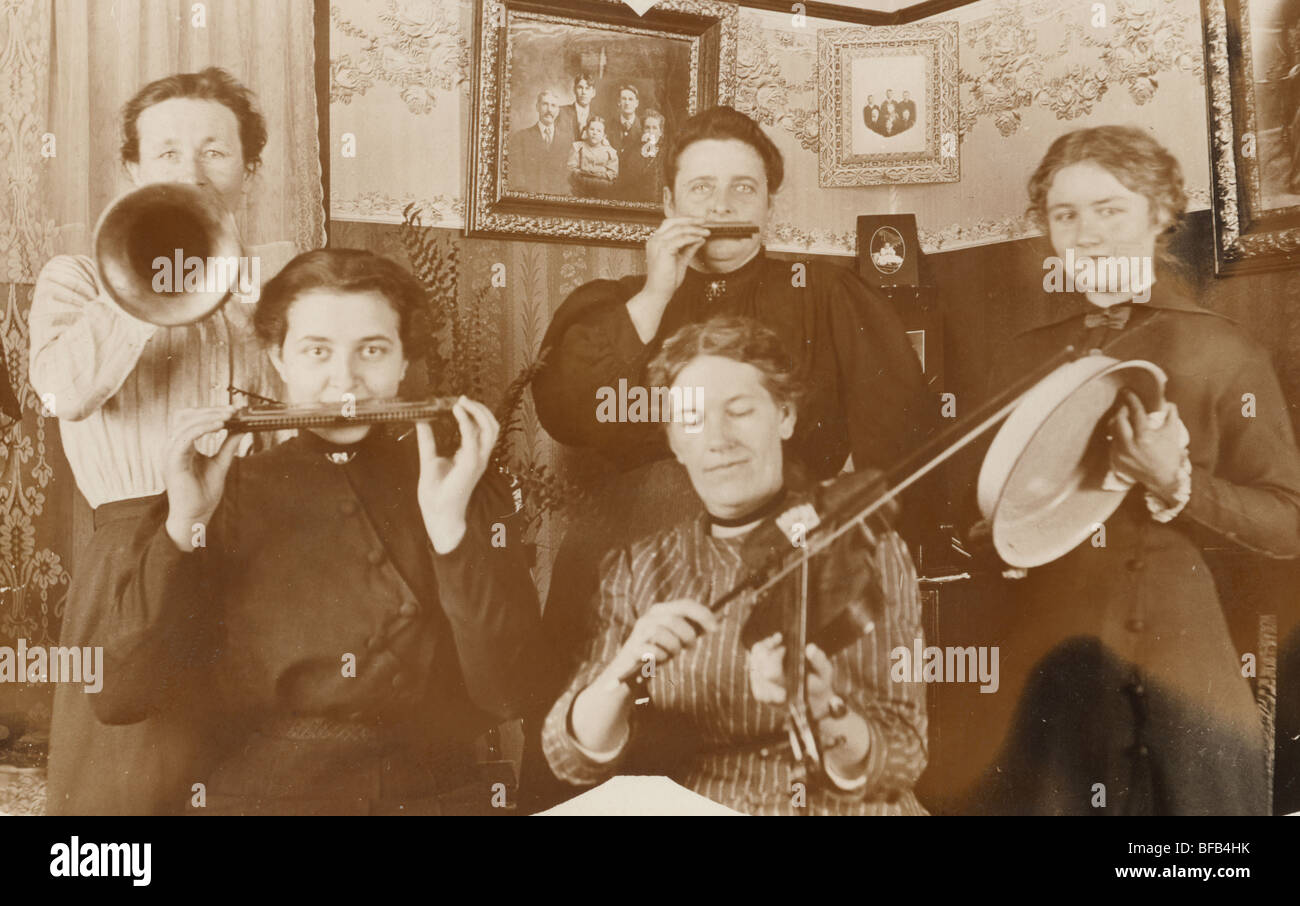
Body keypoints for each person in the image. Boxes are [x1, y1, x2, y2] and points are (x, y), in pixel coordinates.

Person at [523, 105, 932, 808]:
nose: (721, 206)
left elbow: (899, 428)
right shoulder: (617, 301)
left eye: (743, 189)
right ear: (669, 203)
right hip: (630, 554)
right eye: (701, 189)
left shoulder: (827, 292)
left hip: (785, 544)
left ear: (769, 204)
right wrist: (656, 293)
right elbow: (567, 414)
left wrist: (836, 515)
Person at [92, 249, 544, 815]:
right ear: (279, 360)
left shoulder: (460, 484)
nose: (346, 381)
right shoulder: (217, 493)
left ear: (405, 361)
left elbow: (512, 693)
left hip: (434, 797)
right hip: (261, 801)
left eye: (373, 351)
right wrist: (186, 526)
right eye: (317, 352)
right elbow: (118, 696)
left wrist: (451, 531)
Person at [970, 125, 1300, 814]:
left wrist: (1174, 484)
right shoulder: (1017, 358)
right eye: (1065, 215)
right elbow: (979, 520)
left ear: (1159, 215)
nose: (1085, 233)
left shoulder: (1225, 351)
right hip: (1053, 664)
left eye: (1109, 209)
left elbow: (1287, 523)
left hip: (1186, 660)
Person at [30, 66, 299, 816]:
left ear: (248, 169)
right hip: (134, 561)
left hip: (267, 553)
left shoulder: (276, 286)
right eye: (169, 152)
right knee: (126, 796)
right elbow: (60, 393)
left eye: (215, 152)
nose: (192, 170)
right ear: (133, 169)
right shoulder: (77, 277)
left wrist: (244, 296)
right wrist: (148, 278)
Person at [541, 316, 927, 815]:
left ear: (785, 416)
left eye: (740, 410)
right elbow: (567, 757)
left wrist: (825, 711)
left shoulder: (862, 544)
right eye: (692, 420)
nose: (718, 439)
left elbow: (905, 755)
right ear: (677, 443)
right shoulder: (638, 569)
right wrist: (622, 671)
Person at [506, 90, 571, 195]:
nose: (549, 110)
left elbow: (568, 176)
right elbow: (516, 174)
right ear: (537, 107)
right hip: (529, 199)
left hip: (559, 200)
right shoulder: (521, 137)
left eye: (553, 106)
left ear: (558, 111)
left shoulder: (567, 140)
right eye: (545, 104)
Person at [618, 109, 665, 202]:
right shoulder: (630, 152)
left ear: (660, 132)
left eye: (654, 128)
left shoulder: (666, 154)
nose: (651, 131)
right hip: (633, 203)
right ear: (642, 130)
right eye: (647, 127)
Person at [567, 117, 618, 198]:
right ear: (586, 131)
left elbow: (613, 173)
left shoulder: (610, 152)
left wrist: (600, 175)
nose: (594, 133)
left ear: (604, 135)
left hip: (602, 190)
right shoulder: (578, 147)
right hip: (580, 188)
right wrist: (582, 173)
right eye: (592, 129)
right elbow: (571, 168)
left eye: (599, 131)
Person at [608, 84, 642, 168]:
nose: (627, 103)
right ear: (619, 102)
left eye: (630, 99)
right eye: (624, 99)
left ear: (636, 103)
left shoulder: (643, 127)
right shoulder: (609, 125)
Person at [557, 73, 597, 144]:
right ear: (574, 90)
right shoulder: (561, 112)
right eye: (580, 88)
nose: (583, 92)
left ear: (593, 93)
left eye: (587, 88)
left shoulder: (596, 119)